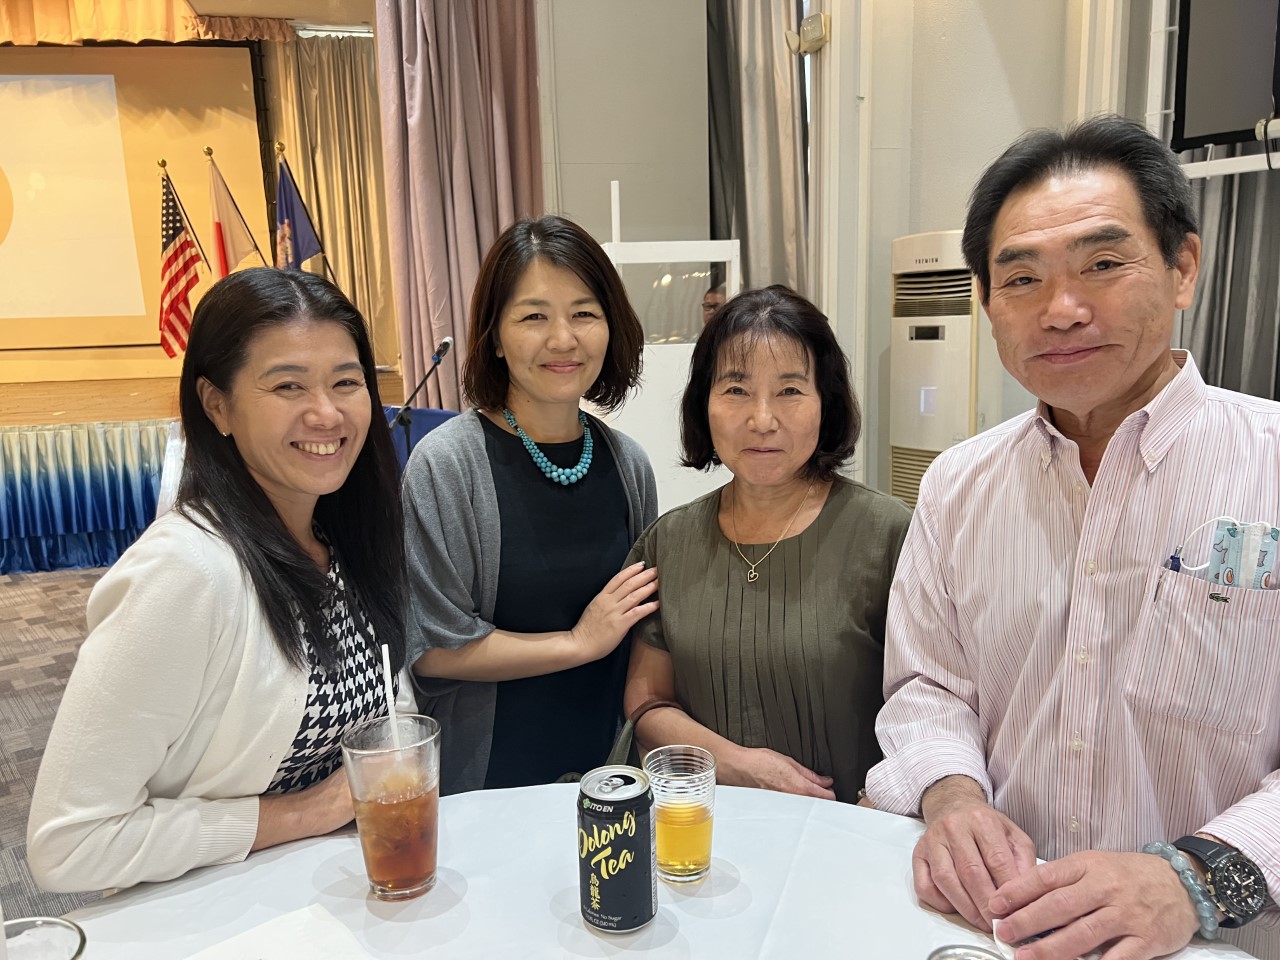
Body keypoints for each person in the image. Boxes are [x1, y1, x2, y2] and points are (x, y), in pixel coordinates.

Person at [867, 114, 1280, 960]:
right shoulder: (957, 485)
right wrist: (951, 797)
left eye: (1102, 263)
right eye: (1021, 279)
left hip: (1216, 942)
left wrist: (1194, 878)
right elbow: (927, 689)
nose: (1061, 310)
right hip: (994, 927)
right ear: (986, 302)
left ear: (1182, 269)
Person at [27, 268, 409, 892]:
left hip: (330, 901)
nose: (326, 411)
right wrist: (306, 813)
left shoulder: (346, 541)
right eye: (288, 385)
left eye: (347, 382)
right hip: (214, 921)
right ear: (217, 405)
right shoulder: (185, 573)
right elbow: (68, 843)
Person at [624, 285, 911, 804]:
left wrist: (883, 808)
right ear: (703, 404)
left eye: (790, 391)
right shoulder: (669, 542)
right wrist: (738, 766)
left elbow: (933, 706)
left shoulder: (890, 535)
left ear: (827, 402)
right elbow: (647, 706)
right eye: (735, 390)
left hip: (851, 833)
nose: (762, 419)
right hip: (702, 835)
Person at [404, 215, 658, 795]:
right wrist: (579, 641)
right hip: (490, 779)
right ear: (494, 336)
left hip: (611, 770)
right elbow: (435, 649)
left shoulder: (629, 463)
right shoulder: (447, 465)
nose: (564, 338)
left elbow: (644, 624)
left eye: (585, 313)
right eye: (534, 316)